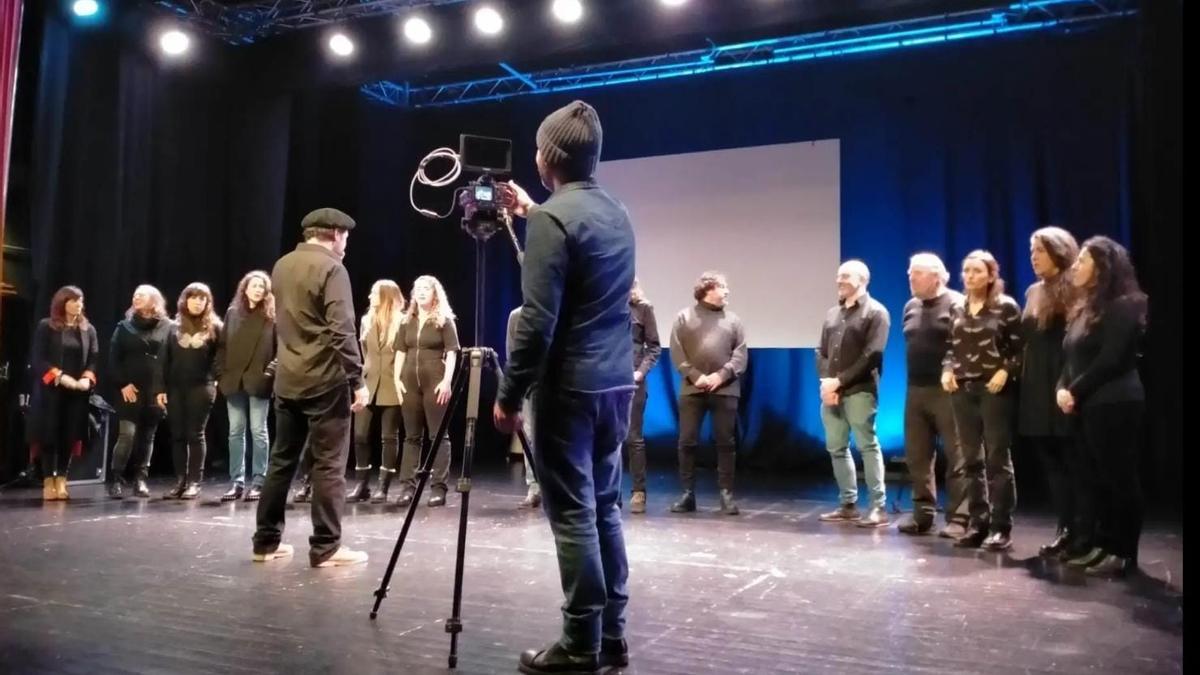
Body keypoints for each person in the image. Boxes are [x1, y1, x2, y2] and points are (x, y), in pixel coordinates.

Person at [492, 100, 636, 674]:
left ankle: (580, 643)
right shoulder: (616, 211)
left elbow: (537, 321)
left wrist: (508, 395)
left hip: (568, 389)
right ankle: (611, 636)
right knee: (604, 510)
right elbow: (580, 268)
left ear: (546, 156)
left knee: (574, 514)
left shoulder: (552, 220)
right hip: (614, 386)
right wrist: (532, 211)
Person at [251, 207, 370, 568]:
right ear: (334, 233)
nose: (346, 243)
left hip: (288, 380)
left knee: (282, 461)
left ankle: (266, 543)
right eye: (345, 236)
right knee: (329, 464)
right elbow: (342, 329)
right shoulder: (333, 268)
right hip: (325, 382)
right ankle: (326, 547)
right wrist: (358, 380)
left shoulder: (282, 265)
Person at [1057, 236, 1148, 577]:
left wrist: (1074, 391)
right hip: (1086, 404)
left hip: (1115, 402)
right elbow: (1070, 357)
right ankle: (1101, 545)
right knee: (1094, 478)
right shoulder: (1084, 307)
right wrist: (1062, 388)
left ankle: (1123, 551)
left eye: (1083, 260)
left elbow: (1111, 360)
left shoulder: (1127, 303)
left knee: (1118, 478)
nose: (1076, 266)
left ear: (1102, 266)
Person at [944, 250, 1023, 550]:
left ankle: (1001, 526)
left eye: (977, 271)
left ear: (991, 275)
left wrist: (1006, 370)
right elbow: (950, 346)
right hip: (963, 391)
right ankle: (978, 522)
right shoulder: (957, 308)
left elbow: (1018, 349)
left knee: (997, 459)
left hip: (994, 391)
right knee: (970, 460)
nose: (970, 276)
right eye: (966, 271)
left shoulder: (1006, 307)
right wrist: (947, 369)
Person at [816, 260, 892, 528]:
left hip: (860, 391)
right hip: (832, 391)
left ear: (862, 279)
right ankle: (848, 505)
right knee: (836, 447)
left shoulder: (876, 313)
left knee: (867, 446)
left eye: (845, 276)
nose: (839, 280)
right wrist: (827, 383)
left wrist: (840, 381)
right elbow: (821, 352)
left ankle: (878, 507)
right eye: (838, 276)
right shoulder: (832, 314)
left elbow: (872, 355)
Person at [897, 254, 969, 537]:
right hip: (915, 390)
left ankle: (960, 518)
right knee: (917, 456)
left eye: (916, 273)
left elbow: (961, 344)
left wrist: (950, 370)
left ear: (936, 276)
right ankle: (922, 515)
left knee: (957, 455)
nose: (910, 277)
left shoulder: (956, 303)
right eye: (910, 272)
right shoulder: (911, 306)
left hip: (948, 391)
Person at [1019, 227, 1079, 555]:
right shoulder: (1032, 291)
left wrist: (1069, 383)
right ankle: (1066, 528)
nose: (1033, 257)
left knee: (1073, 461)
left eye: (1040, 250)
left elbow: (1077, 343)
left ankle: (1083, 531)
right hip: (1036, 385)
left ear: (1058, 252)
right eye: (1031, 251)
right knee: (1052, 463)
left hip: (1063, 381)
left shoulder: (1074, 288)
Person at [668, 271, 748, 516]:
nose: (727, 291)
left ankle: (726, 494)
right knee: (687, 441)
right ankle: (687, 494)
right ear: (708, 288)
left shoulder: (733, 320)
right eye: (723, 287)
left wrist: (720, 376)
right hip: (693, 389)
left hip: (726, 390)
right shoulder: (684, 317)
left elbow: (740, 355)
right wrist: (696, 376)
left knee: (726, 442)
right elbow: (677, 352)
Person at [27, 286, 98, 501]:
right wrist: (60, 376)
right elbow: (38, 359)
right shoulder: (46, 327)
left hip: (76, 393)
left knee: (70, 436)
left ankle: (62, 480)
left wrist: (87, 377)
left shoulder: (88, 329)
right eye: (73, 300)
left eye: (81, 301)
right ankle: (48, 480)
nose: (78, 304)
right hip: (51, 393)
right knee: (50, 436)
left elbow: (94, 358)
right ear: (62, 303)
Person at [394, 275, 459, 508]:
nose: (420, 292)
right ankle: (407, 488)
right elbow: (400, 351)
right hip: (410, 383)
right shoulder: (406, 320)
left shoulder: (443, 320)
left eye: (426, 289)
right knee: (411, 436)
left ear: (435, 294)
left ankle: (438, 488)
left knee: (438, 436)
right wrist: (396, 379)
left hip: (435, 381)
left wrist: (447, 381)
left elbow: (452, 352)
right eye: (417, 288)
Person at [155, 282, 222, 500]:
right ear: (185, 300)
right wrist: (160, 388)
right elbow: (163, 360)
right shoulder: (172, 327)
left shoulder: (215, 327)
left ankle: (195, 482)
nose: (197, 302)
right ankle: (180, 481)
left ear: (207, 302)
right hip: (175, 388)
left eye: (202, 298)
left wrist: (216, 380)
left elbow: (219, 358)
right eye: (193, 297)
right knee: (177, 436)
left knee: (195, 434)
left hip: (201, 387)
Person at [216, 270, 277, 502]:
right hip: (234, 381)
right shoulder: (233, 313)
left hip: (258, 381)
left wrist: (268, 373)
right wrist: (221, 374)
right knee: (235, 432)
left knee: (259, 431)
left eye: (262, 286)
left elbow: (280, 350)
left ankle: (259, 481)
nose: (258, 289)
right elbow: (222, 347)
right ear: (245, 288)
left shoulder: (271, 315)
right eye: (254, 285)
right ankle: (237, 482)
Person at [106, 285, 172, 499]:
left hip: (154, 390)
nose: (136, 297)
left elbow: (171, 358)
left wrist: (165, 388)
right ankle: (115, 479)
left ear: (154, 300)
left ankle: (140, 480)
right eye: (134, 294)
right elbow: (113, 359)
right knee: (127, 434)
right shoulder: (124, 327)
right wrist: (122, 383)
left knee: (147, 437)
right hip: (130, 389)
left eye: (141, 295)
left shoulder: (167, 327)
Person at [346, 280, 405, 504]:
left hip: (391, 382)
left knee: (388, 436)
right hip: (369, 382)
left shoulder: (401, 322)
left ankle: (383, 486)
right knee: (360, 434)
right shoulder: (366, 321)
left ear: (387, 296)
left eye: (374, 293)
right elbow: (364, 352)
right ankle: (362, 485)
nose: (370, 297)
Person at [626, 278, 661, 514]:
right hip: (608, 380)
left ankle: (639, 491)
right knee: (606, 438)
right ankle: (605, 492)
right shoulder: (604, 305)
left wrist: (640, 372)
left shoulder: (643, 308)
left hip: (634, 382)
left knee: (633, 437)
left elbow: (654, 347)